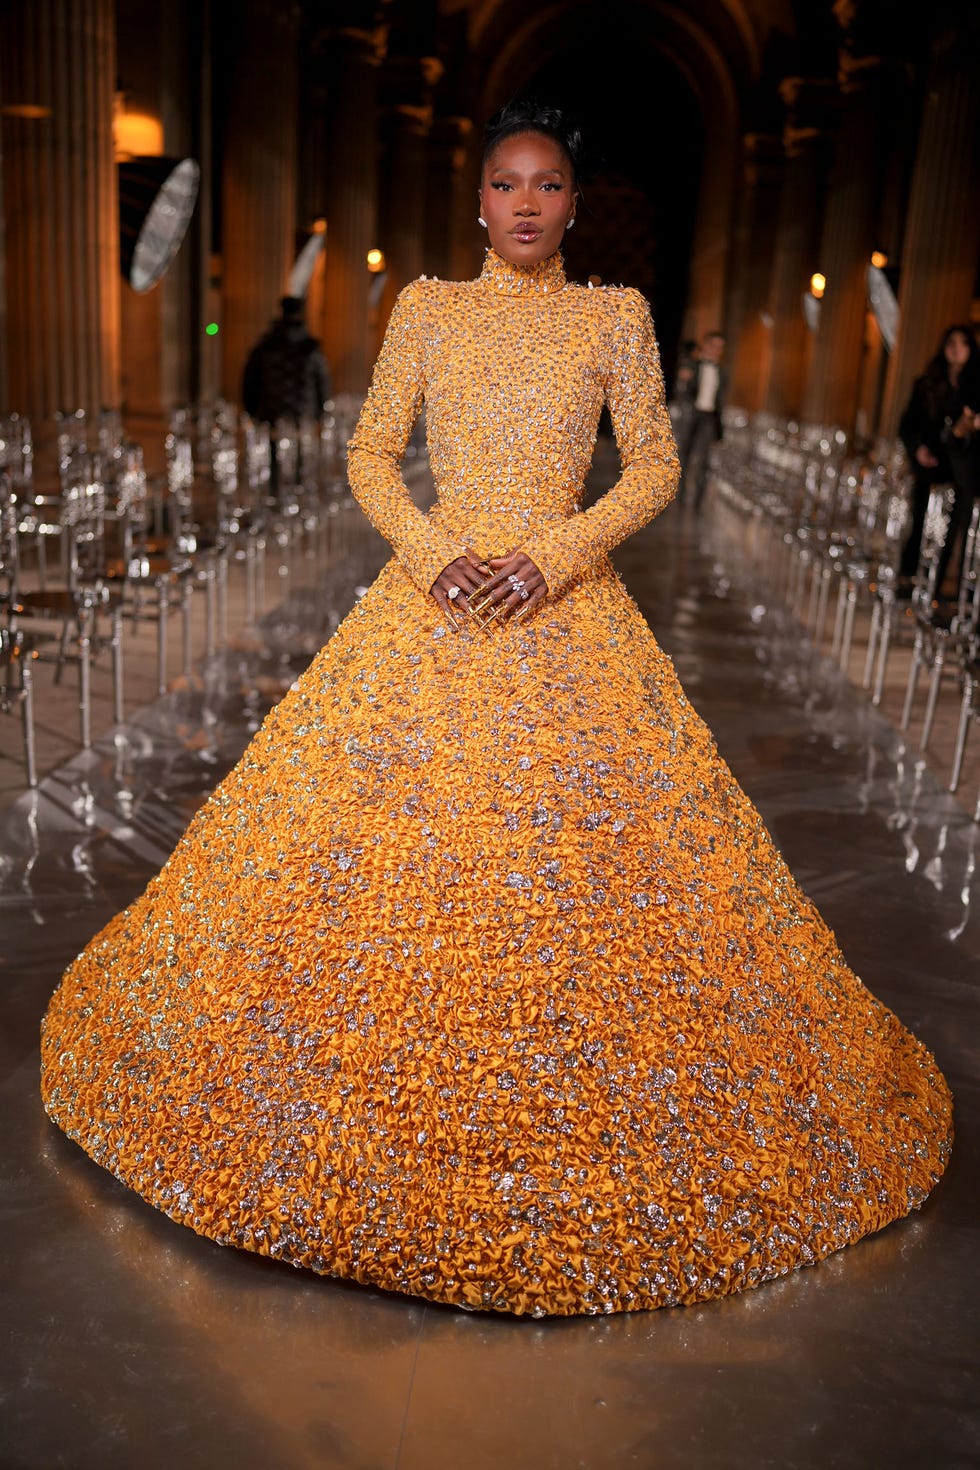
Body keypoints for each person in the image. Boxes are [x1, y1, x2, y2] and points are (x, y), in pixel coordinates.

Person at [40, 100, 951, 1319]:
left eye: (549, 185)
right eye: (506, 184)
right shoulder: (425, 307)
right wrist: (431, 553)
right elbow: (370, 455)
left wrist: (555, 554)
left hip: (563, 606)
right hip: (434, 595)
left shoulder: (611, 316)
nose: (526, 204)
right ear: (478, 201)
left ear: (574, 204)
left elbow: (656, 464)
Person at [898, 324, 980, 592]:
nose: (956, 349)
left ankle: (936, 592)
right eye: (951, 343)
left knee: (954, 533)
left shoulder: (976, 389)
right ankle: (908, 583)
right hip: (930, 470)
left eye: (962, 343)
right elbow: (907, 426)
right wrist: (918, 449)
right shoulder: (926, 385)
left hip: (961, 473)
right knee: (920, 525)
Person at [241, 296, 332, 426]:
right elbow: (323, 386)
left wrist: (252, 412)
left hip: (270, 417)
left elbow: (250, 383)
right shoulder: (312, 350)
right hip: (304, 419)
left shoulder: (266, 346)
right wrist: (320, 415)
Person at [674, 330, 727, 510]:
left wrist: (720, 432)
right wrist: (684, 381)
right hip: (692, 414)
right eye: (714, 346)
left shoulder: (721, 372)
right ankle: (678, 496)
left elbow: (720, 404)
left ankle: (698, 502)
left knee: (704, 459)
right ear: (705, 346)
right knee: (685, 455)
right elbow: (679, 392)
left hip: (709, 417)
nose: (716, 351)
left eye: (720, 348)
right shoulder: (692, 365)